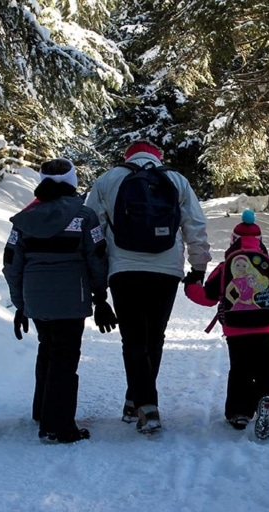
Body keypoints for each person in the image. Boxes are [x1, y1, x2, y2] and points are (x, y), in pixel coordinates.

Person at [85, 140, 211, 434]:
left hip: (124, 269)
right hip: (166, 269)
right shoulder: (176, 179)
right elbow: (195, 224)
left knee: (133, 340)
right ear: (158, 156)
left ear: (127, 156)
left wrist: (98, 285)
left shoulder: (108, 179)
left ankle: (144, 404)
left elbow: (93, 230)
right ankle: (138, 401)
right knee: (154, 337)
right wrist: (199, 267)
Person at [3, 158, 118, 443]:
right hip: (71, 297)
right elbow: (97, 257)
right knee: (65, 358)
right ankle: (58, 427)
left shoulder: (24, 219)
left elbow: (11, 263)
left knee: (48, 347)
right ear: (72, 181)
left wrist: (21, 305)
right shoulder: (85, 217)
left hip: (35, 299)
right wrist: (100, 295)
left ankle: (43, 411)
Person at [185, 210, 269, 439]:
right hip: (268, 327)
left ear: (233, 241)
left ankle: (239, 411)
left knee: (240, 369)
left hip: (236, 330)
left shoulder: (226, 267)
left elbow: (207, 297)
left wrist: (189, 285)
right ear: (260, 242)